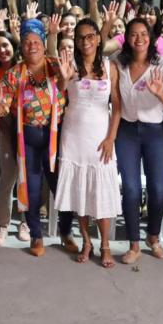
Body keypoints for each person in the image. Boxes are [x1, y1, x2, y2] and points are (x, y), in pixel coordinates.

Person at [0, 19, 70, 257]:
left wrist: (65, 78)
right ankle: (36, 235)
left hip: (56, 137)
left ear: (43, 43)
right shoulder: (14, 74)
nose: (31, 45)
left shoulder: (56, 65)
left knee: (61, 187)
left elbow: (65, 86)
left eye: (36, 41)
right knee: (31, 188)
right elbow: (1, 108)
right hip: (28, 139)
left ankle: (66, 233)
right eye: (26, 42)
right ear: (21, 47)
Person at [52, 19, 121, 268]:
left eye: (90, 36)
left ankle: (105, 245)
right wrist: (63, 78)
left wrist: (111, 138)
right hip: (74, 136)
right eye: (80, 37)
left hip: (101, 137)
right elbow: (59, 93)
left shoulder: (110, 66)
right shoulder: (69, 64)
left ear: (98, 38)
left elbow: (117, 107)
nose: (85, 41)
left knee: (101, 193)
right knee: (78, 191)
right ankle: (86, 241)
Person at [115, 17, 163, 265]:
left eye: (143, 33)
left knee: (158, 189)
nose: (139, 38)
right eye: (133, 34)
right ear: (126, 38)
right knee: (131, 188)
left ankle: (153, 236)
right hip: (126, 131)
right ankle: (133, 244)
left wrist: (160, 93)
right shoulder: (117, 63)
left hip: (155, 132)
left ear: (151, 37)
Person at [0, 31, 25, 245]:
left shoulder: (27, 69)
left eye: (5, 45)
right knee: (7, 179)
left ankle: (26, 223)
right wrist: (8, 132)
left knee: (27, 179)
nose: (2, 50)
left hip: (28, 129)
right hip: (6, 130)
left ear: (13, 46)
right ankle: (3, 225)